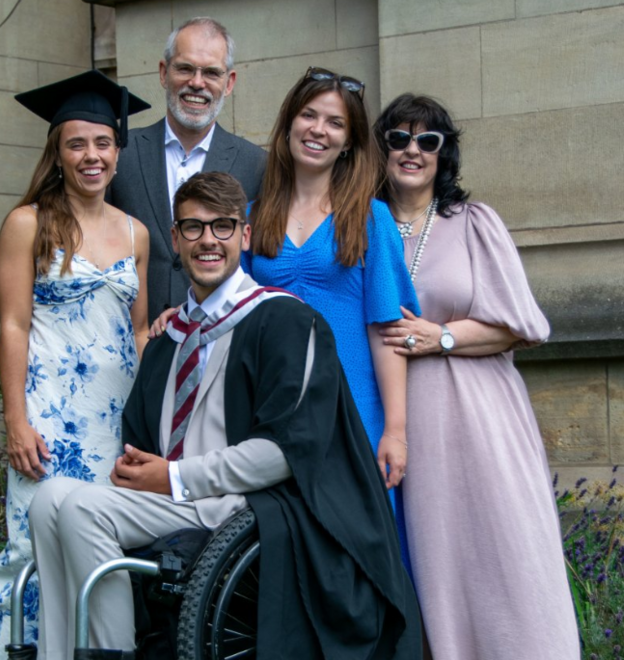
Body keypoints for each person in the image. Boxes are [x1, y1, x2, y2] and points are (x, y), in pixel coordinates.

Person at [27, 172, 422, 660]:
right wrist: (138, 469)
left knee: (84, 509)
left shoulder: (284, 322)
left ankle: (113, 653)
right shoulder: (169, 338)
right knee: (48, 498)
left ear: (246, 235)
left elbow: (283, 451)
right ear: (175, 239)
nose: (208, 240)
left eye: (222, 227)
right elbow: (142, 436)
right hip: (174, 500)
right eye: (193, 228)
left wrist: (172, 475)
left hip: (241, 504)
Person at [374, 93, 580, 659]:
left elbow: (519, 327)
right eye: (398, 138)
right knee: (435, 560)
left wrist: (437, 337)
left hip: (479, 416)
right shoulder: (364, 227)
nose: (412, 150)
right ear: (381, 148)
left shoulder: (472, 223)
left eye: (427, 141)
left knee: (503, 550)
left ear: (445, 154)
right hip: (404, 426)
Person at [0, 70, 152, 660]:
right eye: (76, 144)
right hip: (51, 422)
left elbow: (138, 331)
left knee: (96, 554)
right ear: (58, 153)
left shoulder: (136, 233)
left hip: (113, 422)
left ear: (117, 151)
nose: (91, 156)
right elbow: (12, 325)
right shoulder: (28, 224)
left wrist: (148, 423)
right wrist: (15, 421)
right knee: (32, 553)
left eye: (102, 143)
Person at [242, 68, 418, 501]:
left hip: (354, 404)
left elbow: (387, 331)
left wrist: (395, 430)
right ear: (289, 125)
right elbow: (232, 313)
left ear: (350, 141)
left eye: (335, 122)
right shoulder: (251, 216)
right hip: (274, 408)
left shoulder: (369, 218)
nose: (318, 130)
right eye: (308, 115)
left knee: (363, 535)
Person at [107, 17, 266, 316]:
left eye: (211, 72)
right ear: (164, 73)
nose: (197, 82)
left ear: (229, 82)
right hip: (131, 342)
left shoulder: (256, 165)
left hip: (221, 345)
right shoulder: (120, 154)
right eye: (185, 68)